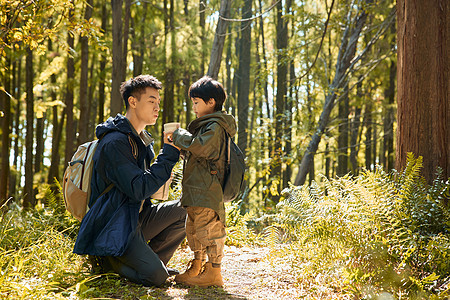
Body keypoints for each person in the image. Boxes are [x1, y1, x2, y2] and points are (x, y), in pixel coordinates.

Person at [73, 75, 187, 287]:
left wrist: (162, 175)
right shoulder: (116, 142)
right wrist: (168, 155)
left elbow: (143, 188)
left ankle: (152, 262)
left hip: (134, 217)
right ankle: (109, 263)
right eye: (151, 101)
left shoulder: (141, 140)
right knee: (158, 279)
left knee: (185, 209)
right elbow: (138, 188)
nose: (157, 107)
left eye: (158, 103)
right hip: (114, 224)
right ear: (133, 102)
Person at [168, 76, 237, 287]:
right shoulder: (205, 126)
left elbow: (202, 147)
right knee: (195, 230)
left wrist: (179, 135)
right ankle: (198, 266)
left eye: (197, 102)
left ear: (211, 102)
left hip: (207, 191)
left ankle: (214, 272)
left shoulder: (216, 126)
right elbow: (198, 154)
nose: (194, 107)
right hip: (196, 191)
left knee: (210, 231)